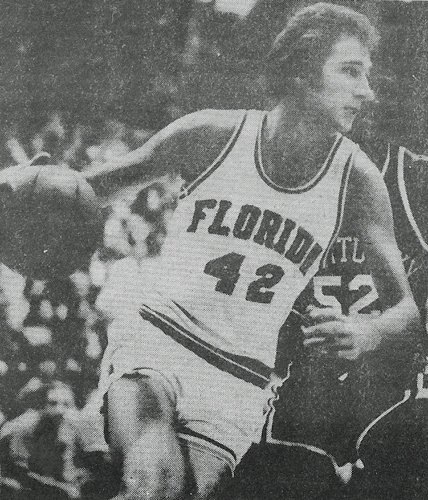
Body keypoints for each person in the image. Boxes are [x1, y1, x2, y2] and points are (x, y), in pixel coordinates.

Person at [81, 3, 422, 499]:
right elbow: (88, 189)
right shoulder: (211, 134)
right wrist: (30, 186)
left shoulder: (358, 179)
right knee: (153, 485)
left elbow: (406, 310)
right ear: (302, 71)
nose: (367, 91)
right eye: (351, 71)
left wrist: (365, 331)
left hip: (240, 379)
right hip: (161, 342)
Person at [232, 144, 428, 500]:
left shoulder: (415, 178)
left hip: (402, 382)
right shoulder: (270, 181)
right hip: (306, 389)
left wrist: (371, 331)